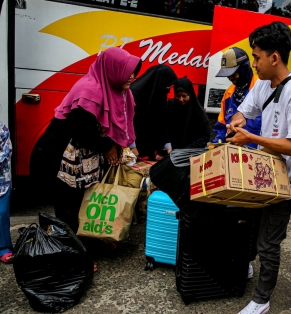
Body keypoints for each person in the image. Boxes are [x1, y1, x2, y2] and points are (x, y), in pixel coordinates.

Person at [226, 21, 291, 314]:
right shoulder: (263, 84)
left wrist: (250, 137)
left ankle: (261, 301)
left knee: (268, 241)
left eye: (256, 57)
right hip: (264, 175)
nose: (254, 63)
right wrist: (237, 119)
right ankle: (249, 270)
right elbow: (246, 110)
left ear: (274, 57)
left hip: (287, 183)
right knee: (250, 225)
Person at [34, 47, 141, 234]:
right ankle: (74, 254)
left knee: (89, 197)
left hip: (90, 152)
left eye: (133, 71)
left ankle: (91, 238)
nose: (132, 76)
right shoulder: (89, 90)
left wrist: (120, 145)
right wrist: (107, 146)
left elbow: (121, 123)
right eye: (127, 71)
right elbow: (80, 131)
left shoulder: (121, 90)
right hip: (66, 154)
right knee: (70, 202)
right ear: (112, 69)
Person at [213, 47, 262, 149]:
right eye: (227, 75)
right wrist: (213, 148)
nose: (230, 78)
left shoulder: (260, 88)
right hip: (233, 157)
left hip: (257, 157)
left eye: (233, 73)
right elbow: (221, 128)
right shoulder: (228, 94)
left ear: (244, 68)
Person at [130, 64, 178, 159]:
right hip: (131, 148)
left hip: (145, 149)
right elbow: (128, 122)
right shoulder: (134, 93)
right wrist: (132, 146)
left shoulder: (157, 92)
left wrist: (168, 147)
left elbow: (161, 120)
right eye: (168, 87)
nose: (168, 90)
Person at [166, 77, 210, 150]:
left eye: (184, 96)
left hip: (190, 152)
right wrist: (168, 146)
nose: (180, 99)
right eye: (177, 95)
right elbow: (164, 128)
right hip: (169, 150)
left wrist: (185, 150)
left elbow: (204, 137)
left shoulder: (198, 113)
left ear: (190, 94)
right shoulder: (170, 106)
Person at [0, 121, 13, 264]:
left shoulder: (2, 129)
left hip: (1, 180)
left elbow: (6, 152)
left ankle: (4, 248)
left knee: (1, 213)